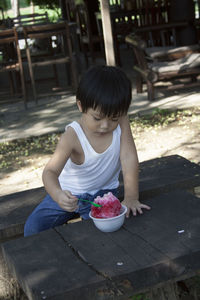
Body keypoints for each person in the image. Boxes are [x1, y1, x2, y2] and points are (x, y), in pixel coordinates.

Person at [24, 65, 150, 237]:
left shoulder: (121, 122)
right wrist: (58, 194)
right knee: (33, 228)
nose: (105, 125)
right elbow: (50, 171)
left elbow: (128, 158)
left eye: (113, 118)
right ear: (81, 106)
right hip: (70, 193)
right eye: (97, 118)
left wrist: (131, 197)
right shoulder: (73, 135)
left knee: (101, 238)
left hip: (105, 194)